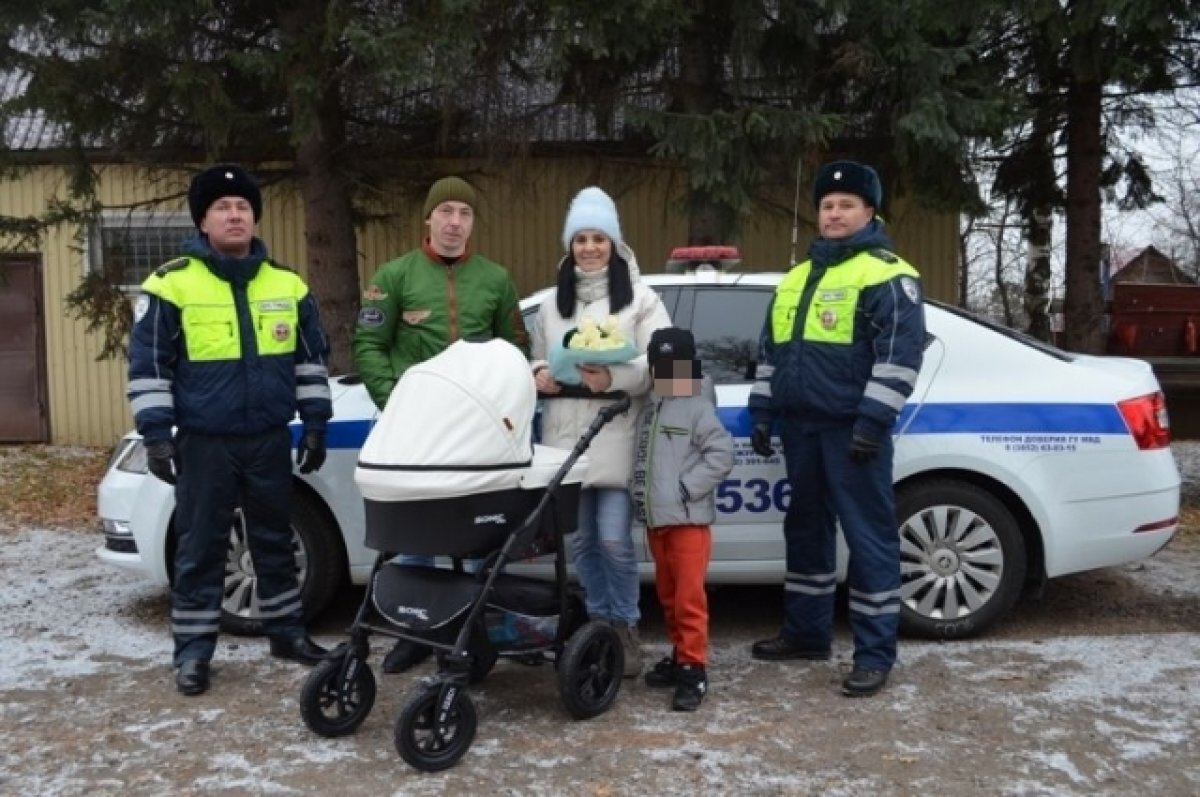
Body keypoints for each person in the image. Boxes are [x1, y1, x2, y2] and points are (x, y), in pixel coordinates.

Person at [127, 164, 333, 697]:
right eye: (223, 206)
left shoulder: (287, 284)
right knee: (201, 548)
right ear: (202, 220)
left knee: (274, 541)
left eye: (243, 206)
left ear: (254, 218)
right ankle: (193, 655)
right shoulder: (171, 285)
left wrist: (314, 424)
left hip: (267, 438)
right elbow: (149, 369)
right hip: (204, 442)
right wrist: (155, 436)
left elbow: (310, 363)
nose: (235, 214)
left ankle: (287, 635)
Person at [747, 160, 925, 698]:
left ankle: (874, 654)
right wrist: (761, 410)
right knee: (805, 532)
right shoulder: (796, 278)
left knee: (869, 541)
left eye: (846, 205)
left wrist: (872, 423)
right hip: (801, 429)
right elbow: (770, 352)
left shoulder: (888, 273)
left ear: (869, 211)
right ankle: (807, 634)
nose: (835, 213)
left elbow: (900, 358)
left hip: (853, 433)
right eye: (827, 205)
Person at [353, 175, 529, 673]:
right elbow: (369, 347)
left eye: (465, 213)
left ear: (473, 222)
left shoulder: (495, 280)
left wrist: (502, 412)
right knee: (415, 536)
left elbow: (515, 352)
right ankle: (415, 632)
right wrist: (396, 406)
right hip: (414, 433)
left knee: (478, 535)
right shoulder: (394, 276)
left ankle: (474, 631)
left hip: (476, 435)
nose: (455, 222)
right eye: (446, 211)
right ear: (428, 218)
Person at [530, 186, 671, 678]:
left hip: (616, 431)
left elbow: (670, 367)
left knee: (613, 540)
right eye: (581, 238)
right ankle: (597, 629)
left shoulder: (643, 299)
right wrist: (540, 372)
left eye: (599, 237)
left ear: (615, 243)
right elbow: (538, 354)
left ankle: (625, 626)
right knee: (582, 545)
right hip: (564, 440)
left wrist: (615, 377)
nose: (589, 247)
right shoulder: (551, 304)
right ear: (570, 244)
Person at [631, 327, 734, 711]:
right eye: (660, 365)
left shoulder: (697, 405)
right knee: (668, 596)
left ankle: (695, 668)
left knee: (689, 598)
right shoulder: (652, 404)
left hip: (688, 522)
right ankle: (679, 655)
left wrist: (687, 489)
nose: (668, 373)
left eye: (676, 365)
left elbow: (720, 456)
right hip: (658, 522)